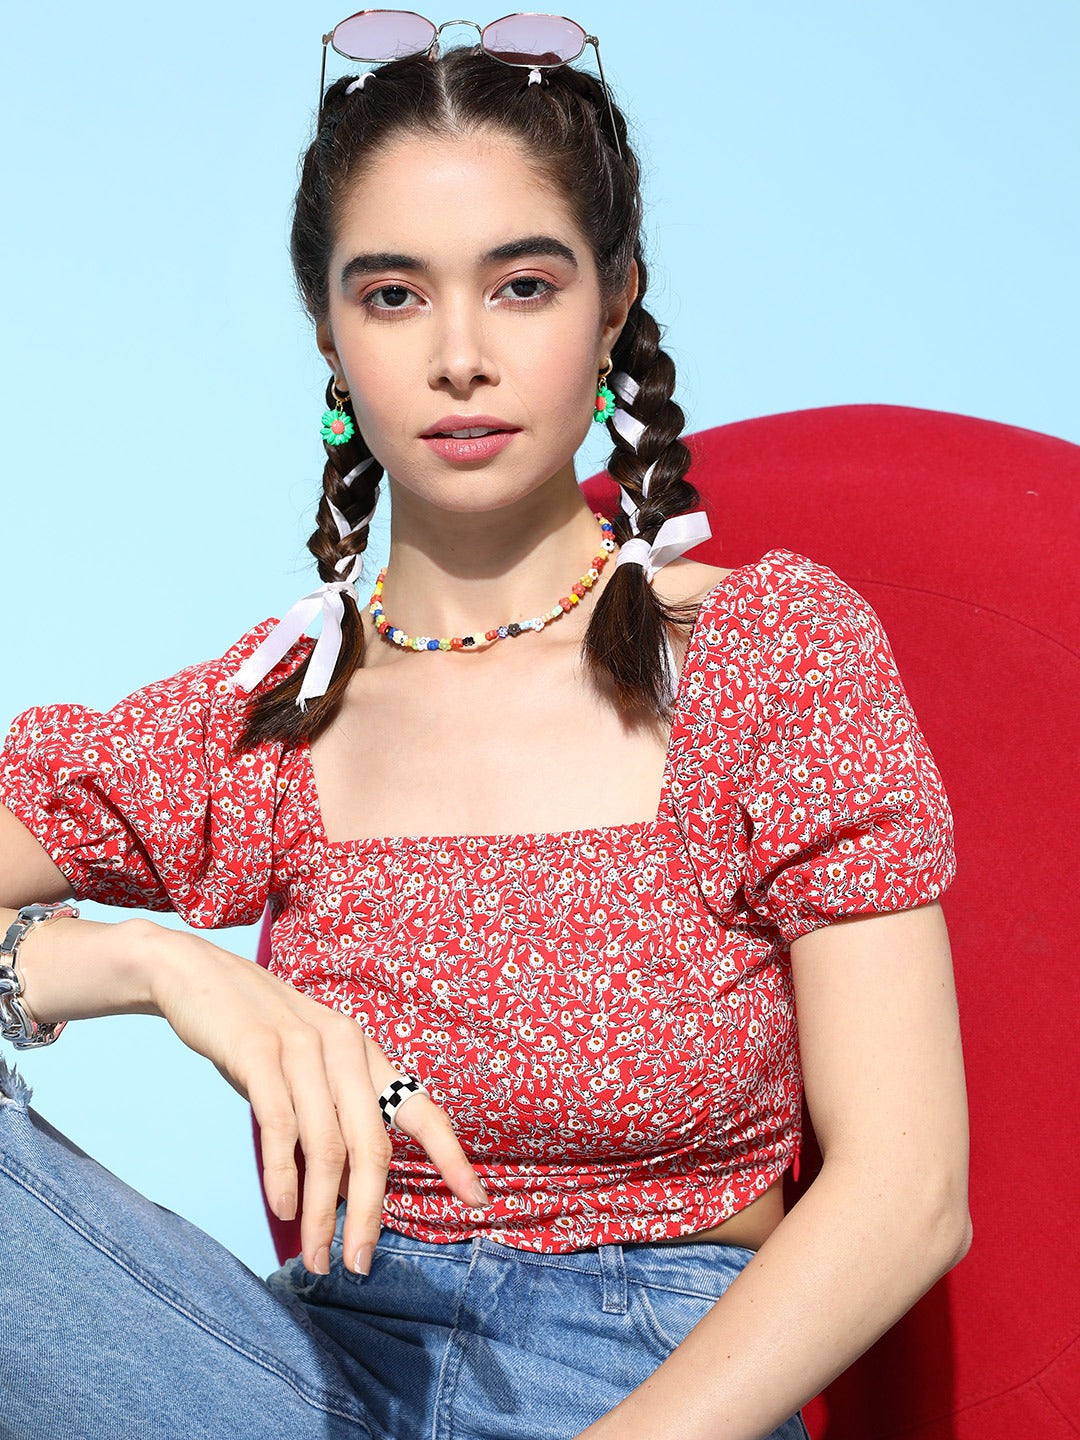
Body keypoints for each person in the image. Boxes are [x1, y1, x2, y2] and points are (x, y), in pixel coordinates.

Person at [0, 16, 971, 1440]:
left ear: (615, 301)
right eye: (394, 296)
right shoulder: (275, 714)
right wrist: (149, 968)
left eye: (522, 286)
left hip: (647, 1387)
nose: (460, 356)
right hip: (307, 1382)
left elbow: (908, 1192)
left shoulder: (766, 656)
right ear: (329, 333)